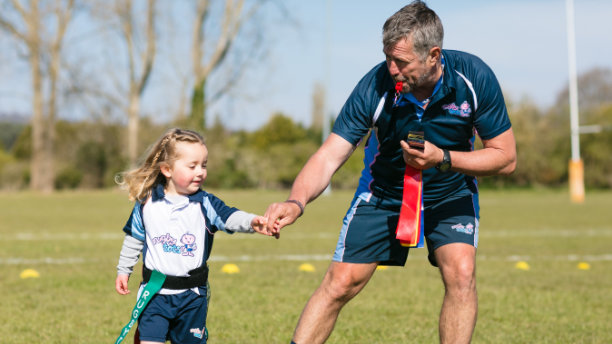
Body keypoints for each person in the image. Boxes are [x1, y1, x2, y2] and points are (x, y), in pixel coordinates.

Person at [264, 1, 516, 343]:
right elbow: (329, 155)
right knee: (340, 283)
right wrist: (296, 202)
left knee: (462, 273)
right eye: (387, 57)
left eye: (401, 61)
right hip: (383, 194)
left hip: (449, 191)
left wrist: (443, 158)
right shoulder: (375, 85)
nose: (392, 69)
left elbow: (505, 157)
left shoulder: (473, 78)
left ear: (433, 55)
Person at [114, 128, 273, 344]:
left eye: (204, 165)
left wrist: (252, 221)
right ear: (167, 169)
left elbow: (229, 216)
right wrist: (124, 270)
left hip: (192, 297)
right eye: (192, 166)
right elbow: (134, 237)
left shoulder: (205, 203)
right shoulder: (147, 202)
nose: (200, 172)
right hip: (154, 295)